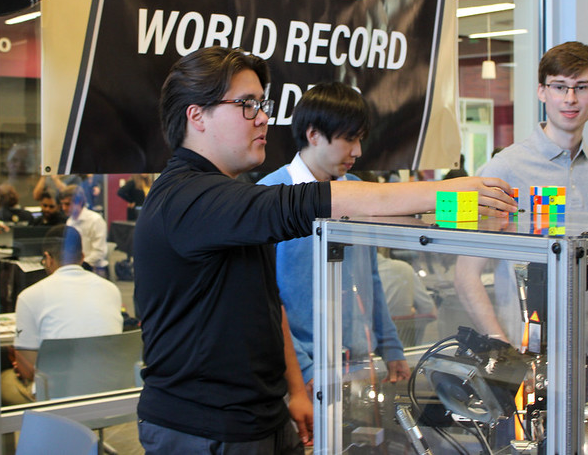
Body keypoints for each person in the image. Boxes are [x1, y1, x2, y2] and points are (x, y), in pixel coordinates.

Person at [133, 46, 516, 454]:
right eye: (246, 105)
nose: (262, 118)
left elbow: (268, 304)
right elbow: (308, 203)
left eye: (262, 104)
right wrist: (442, 191)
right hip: (204, 429)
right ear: (196, 116)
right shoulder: (186, 198)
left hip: (262, 416)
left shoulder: (226, 196)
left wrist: (295, 390)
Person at [454, 41, 588, 390]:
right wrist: (501, 348)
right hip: (524, 361)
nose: (570, 99)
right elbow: (465, 274)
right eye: (559, 87)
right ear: (542, 91)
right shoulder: (504, 168)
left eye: (581, 87)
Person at [258, 82, 409, 395]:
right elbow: (263, 300)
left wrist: (390, 346)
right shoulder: (270, 196)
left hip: (357, 365)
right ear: (314, 135)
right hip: (297, 375)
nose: (358, 151)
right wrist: (304, 370)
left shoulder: (357, 191)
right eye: (349, 139)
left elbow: (369, 277)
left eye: (360, 139)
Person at [1, 225, 123, 405]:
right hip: (110, 391)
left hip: (57, 397)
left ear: (48, 258)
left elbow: (28, 371)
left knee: (4, 380)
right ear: (82, 257)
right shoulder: (111, 290)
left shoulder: (29, 296)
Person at [60, 185, 109, 277]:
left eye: (67, 204)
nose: (63, 208)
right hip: (78, 269)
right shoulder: (70, 221)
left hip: (95, 270)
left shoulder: (95, 220)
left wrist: (78, 267)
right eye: (62, 204)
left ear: (79, 202)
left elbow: (99, 253)